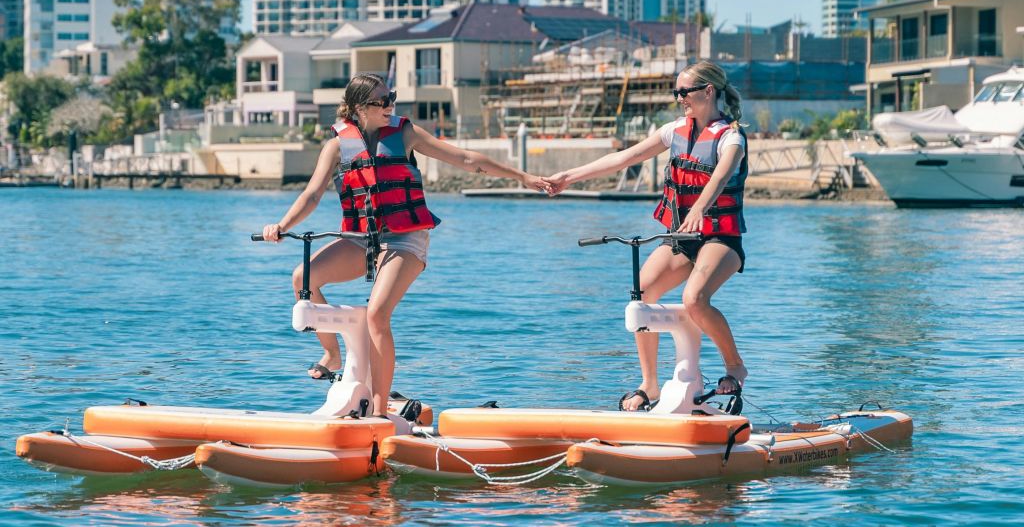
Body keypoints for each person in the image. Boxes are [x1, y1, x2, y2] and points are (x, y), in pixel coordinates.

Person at [262, 72, 550, 417]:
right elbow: (311, 195)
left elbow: (467, 160)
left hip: (405, 236)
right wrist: (281, 225)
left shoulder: (405, 133)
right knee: (302, 279)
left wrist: (524, 178)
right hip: (361, 239)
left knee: (377, 313)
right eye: (381, 101)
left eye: (391, 98)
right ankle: (332, 354)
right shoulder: (338, 145)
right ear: (358, 108)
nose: (390, 106)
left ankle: (381, 413)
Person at [545, 60, 749, 411]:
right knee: (642, 290)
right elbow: (623, 158)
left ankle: (735, 368)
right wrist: (569, 177)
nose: (679, 98)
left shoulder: (731, 136)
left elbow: (720, 177)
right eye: (677, 93)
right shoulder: (674, 131)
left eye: (684, 92)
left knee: (695, 298)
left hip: (720, 238)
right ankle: (650, 384)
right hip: (683, 238)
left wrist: (700, 207)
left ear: (708, 91)